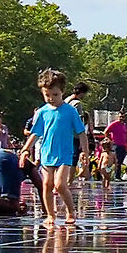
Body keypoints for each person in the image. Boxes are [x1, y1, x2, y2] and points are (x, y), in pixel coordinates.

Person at [30, 69, 86, 228]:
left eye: (55, 95)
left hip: (64, 153)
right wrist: (26, 149)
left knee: (60, 184)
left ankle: (70, 211)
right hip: (47, 153)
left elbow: (81, 132)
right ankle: (50, 214)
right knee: (47, 184)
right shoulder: (42, 111)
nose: (51, 99)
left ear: (62, 91)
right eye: (47, 95)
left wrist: (85, 153)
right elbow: (35, 133)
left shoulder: (70, 111)